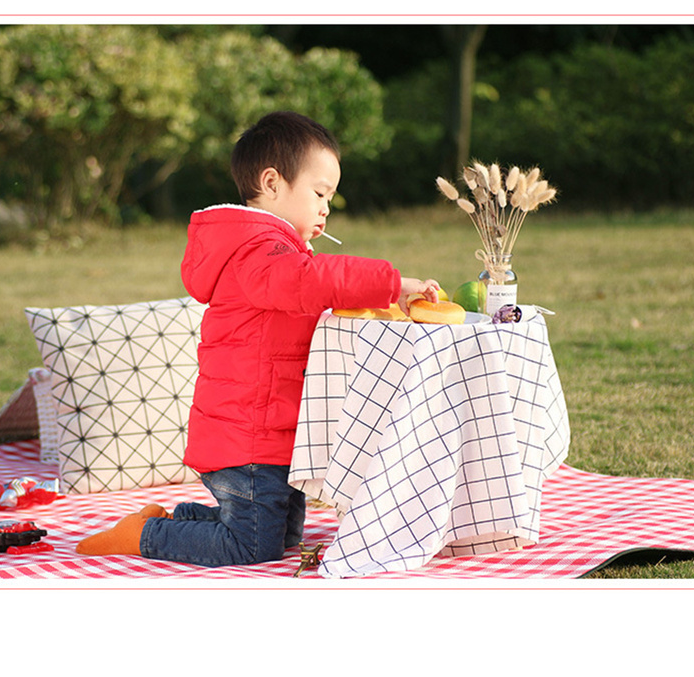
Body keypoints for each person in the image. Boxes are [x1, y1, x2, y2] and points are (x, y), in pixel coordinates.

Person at [76, 111, 440, 565]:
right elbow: (310, 280)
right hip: (246, 438)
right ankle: (146, 534)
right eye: (320, 193)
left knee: (285, 536)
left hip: (275, 435)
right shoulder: (258, 252)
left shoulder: (276, 251)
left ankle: (181, 518)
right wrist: (391, 283)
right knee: (252, 546)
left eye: (330, 197)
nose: (326, 208)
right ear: (271, 183)